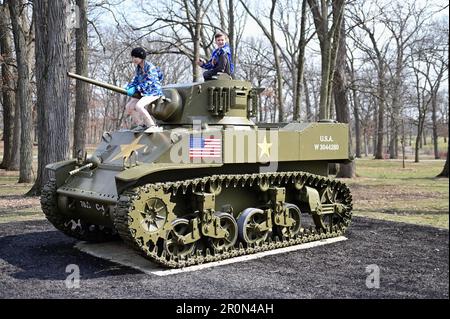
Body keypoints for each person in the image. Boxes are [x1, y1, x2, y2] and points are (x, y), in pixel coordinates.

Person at [125, 47, 164, 132]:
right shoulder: (138, 68)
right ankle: (140, 125)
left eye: (136, 57)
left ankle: (152, 126)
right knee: (129, 107)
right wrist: (130, 86)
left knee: (139, 106)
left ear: (141, 57)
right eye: (133, 57)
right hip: (144, 92)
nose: (134, 59)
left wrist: (137, 88)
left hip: (153, 92)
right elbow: (136, 80)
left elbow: (150, 81)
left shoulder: (150, 67)